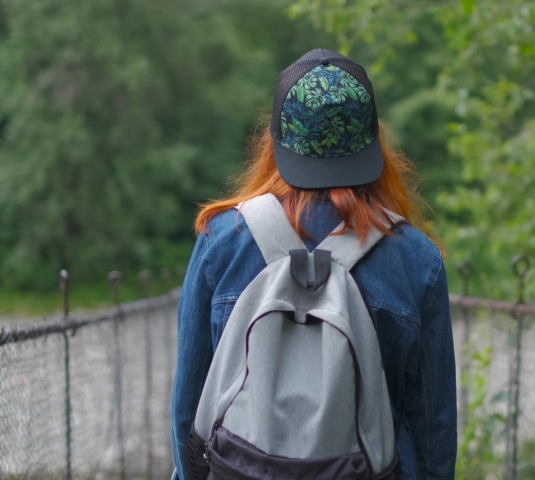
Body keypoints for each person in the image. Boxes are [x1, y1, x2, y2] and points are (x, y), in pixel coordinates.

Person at [171, 48, 456, 480]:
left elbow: (189, 409)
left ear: (274, 142)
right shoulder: (416, 261)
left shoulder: (220, 242)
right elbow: (432, 430)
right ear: (374, 143)